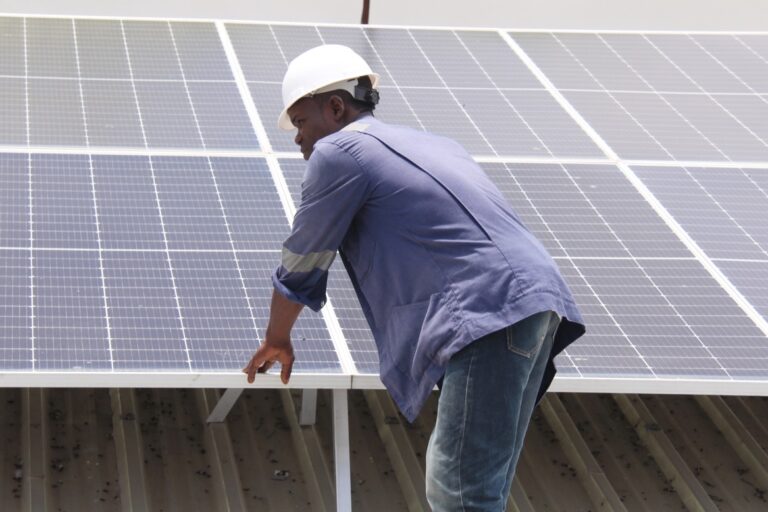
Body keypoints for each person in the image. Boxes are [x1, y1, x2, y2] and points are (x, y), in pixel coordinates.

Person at [243, 44, 586, 511]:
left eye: (301, 122)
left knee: (459, 492)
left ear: (337, 107)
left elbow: (304, 257)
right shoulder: (436, 143)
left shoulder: (339, 152)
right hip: (536, 304)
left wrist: (276, 337)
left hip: (486, 312)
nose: (298, 139)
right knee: (482, 486)